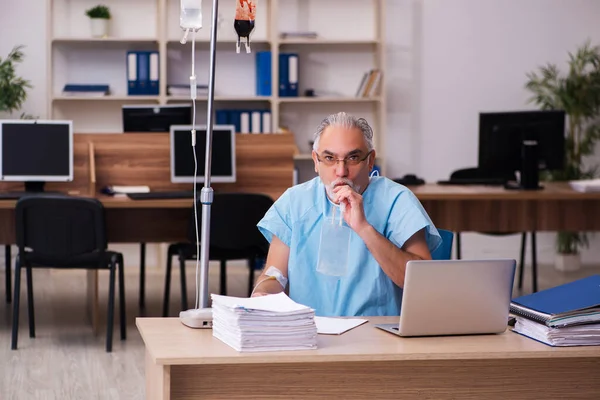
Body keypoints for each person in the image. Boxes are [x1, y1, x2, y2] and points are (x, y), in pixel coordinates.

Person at [254, 112, 442, 316]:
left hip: (376, 334)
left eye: (352, 158)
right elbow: (275, 275)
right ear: (316, 161)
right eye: (329, 158)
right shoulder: (294, 202)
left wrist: (364, 228)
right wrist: (263, 292)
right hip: (310, 330)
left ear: (370, 161)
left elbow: (421, 283)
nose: (341, 171)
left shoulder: (396, 200)